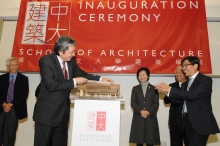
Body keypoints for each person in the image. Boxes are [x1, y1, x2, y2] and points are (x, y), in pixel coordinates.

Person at [33, 36, 114, 146]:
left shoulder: (70, 62)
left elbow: (82, 74)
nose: (74, 55)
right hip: (47, 112)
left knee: (60, 142)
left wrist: (101, 79)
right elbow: (51, 85)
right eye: (72, 52)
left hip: (63, 111)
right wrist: (74, 82)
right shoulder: (46, 61)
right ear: (61, 51)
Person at [156, 56, 220, 146]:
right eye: (183, 66)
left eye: (186, 65)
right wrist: (166, 91)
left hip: (198, 123)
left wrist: (170, 89)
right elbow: (178, 101)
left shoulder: (205, 80)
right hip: (185, 122)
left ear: (195, 66)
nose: (184, 68)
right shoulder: (186, 83)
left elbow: (193, 95)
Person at [0, 57, 29, 146]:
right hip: (2, 108)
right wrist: (4, 104)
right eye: (12, 65)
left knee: (10, 133)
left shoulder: (23, 78)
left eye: (16, 65)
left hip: (15, 108)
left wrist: (11, 104)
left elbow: (24, 94)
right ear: (7, 66)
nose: (15, 67)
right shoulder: (1, 78)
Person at [129, 67, 160, 146]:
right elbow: (133, 102)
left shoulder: (154, 88)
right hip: (138, 117)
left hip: (150, 118)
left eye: (143, 74)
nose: (141, 76)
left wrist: (148, 112)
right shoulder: (135, 88)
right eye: (139, 75)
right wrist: (140, 111)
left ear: (148, 76)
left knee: (150, 142)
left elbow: (156, 103)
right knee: (139, 142)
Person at [163, 66, 188, 146]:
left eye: (180, 72)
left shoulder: (190, 85)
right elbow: (166, 101)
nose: (177, 74)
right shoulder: (171, 86)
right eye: (176, 73)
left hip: (188, 120)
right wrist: (167, 92)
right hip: (174, 120)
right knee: (175, 143)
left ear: (185, 73)